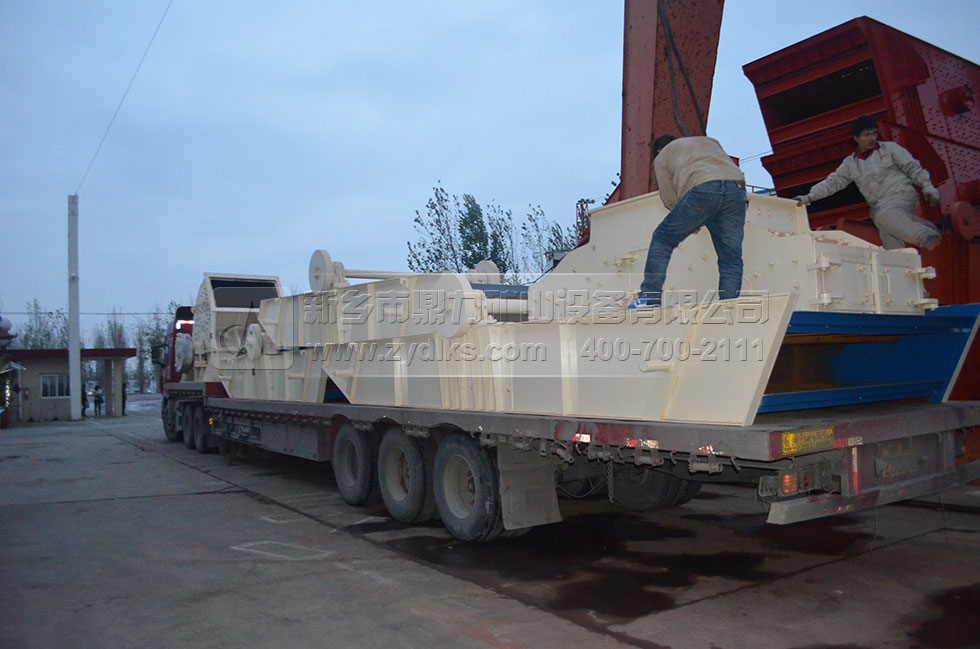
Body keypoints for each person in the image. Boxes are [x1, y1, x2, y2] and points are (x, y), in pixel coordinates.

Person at [630, 134, 747, 308]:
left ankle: (649, 296)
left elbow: (669, 198)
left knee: (662, 238)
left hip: (703, 188)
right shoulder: (710, 141)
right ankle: (728, 306)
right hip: (737, 189)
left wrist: (692, 220)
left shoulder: (662, 156)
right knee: (731, 257)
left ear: (659, 150)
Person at [794, 115, 941, 251]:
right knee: (889, 237)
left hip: (901, 196)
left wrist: (928, 186)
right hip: (880, 206)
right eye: (867, 135)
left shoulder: (890, 148)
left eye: (874, 134)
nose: (872, 138)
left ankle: (926, 235)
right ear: (856, 138)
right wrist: (809, 197)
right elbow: (832, 183)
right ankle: (903, 261)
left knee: (883, 218)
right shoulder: (851, 163)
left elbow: (912, 167)